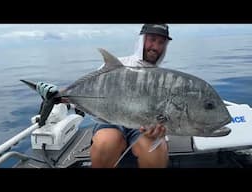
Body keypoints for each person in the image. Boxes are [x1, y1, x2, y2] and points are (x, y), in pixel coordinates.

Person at [36, 24, 172, 168]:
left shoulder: (164, 78)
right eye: (152, 39)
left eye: (161, 42)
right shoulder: (117, 65)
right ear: (142, 40)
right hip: (110, 119)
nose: (155, 46)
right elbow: (91, 93)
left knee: (156, 154)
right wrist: (58, 95)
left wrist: (161, 127)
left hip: (141, 126)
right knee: (105, 143)